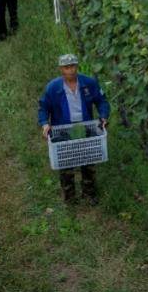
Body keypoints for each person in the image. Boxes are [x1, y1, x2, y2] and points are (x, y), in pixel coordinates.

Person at [38, 53, 110, 205]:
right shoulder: (53, 88)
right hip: (63, 129)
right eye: (66, 67)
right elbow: (43, 107)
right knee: (66, 163)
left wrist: (103, 116)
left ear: (77, 67)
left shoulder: (89, 83)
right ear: (61, 69)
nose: (70, 70)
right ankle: (69, 198)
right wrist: (45, 123)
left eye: (72, 66)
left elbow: (102, 101)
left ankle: (89, 194)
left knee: (88, 161)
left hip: (85, 126)